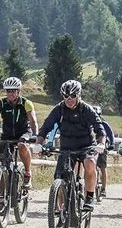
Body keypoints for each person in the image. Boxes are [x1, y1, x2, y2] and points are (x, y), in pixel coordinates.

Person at [34, 79, 106, 210]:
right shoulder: (59, 109)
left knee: (90, 163)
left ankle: (89, 197)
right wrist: (39, 143)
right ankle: (61, 211)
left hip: (86, 146)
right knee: (60, 177)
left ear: (79, 95)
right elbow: (45, 127)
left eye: (73, 96)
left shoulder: (86, 109)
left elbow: (100, 129)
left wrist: (101, 143)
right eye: (66, 96)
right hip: (66, 147)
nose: (69, 99)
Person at [0, 77, 38, 186]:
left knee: (22, 145)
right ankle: (1, 193)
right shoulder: (1, 103)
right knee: (0, 160)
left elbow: (33, 121)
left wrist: (35, 136)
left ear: (18, 91)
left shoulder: (26, 103)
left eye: (13, 90)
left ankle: (27, 172)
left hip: (24, 132)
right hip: (7, 135)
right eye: (8, 91)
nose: (10, 93)